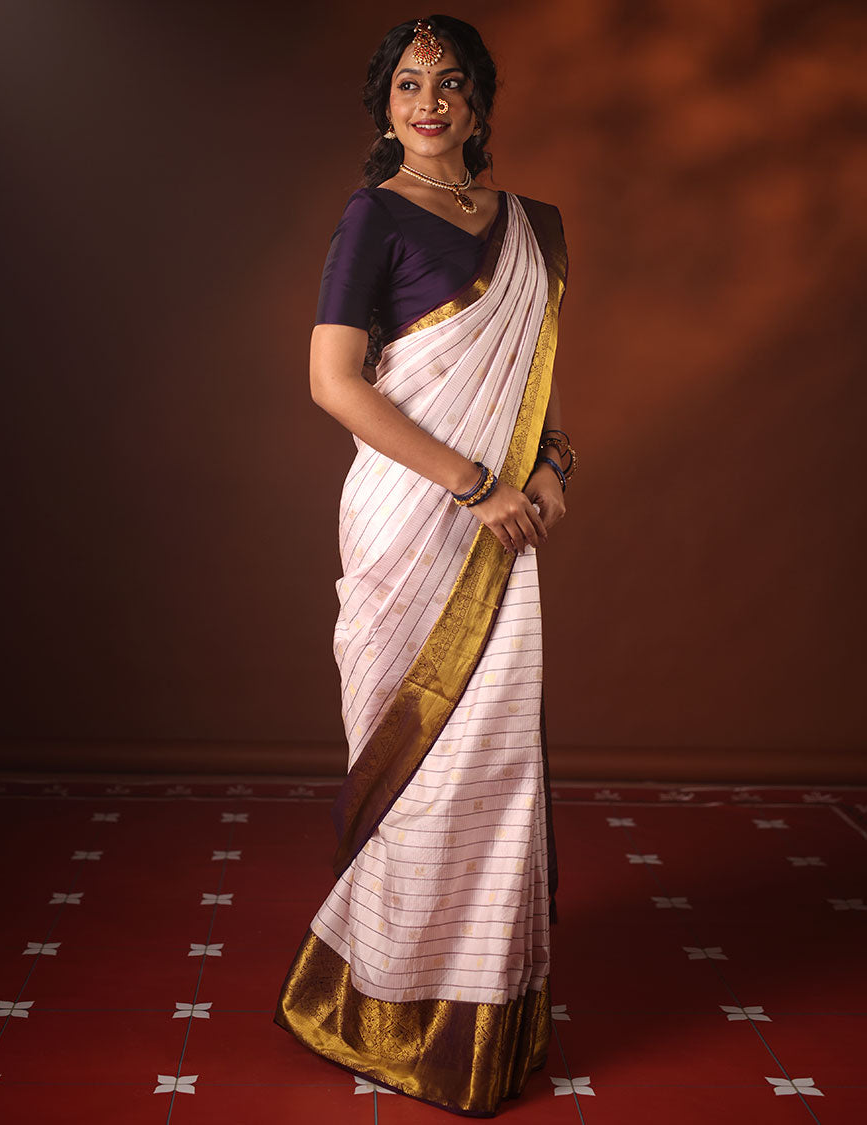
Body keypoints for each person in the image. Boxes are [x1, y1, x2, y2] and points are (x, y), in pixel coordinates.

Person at [273, 14, 576, 1117]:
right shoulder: (374, 216)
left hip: (503, 523)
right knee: (414, 767)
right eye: (408, 83)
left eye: (449, 82)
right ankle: (388, 1001)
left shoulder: (532, 228)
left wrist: (550, 469)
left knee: (491, 765)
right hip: (414, 517)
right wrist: (473, 484)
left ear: (479, 100)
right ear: (385, 106)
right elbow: (334, 382)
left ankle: (480, 1008)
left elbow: (534, 391)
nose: (430, 101)